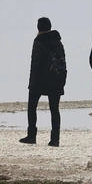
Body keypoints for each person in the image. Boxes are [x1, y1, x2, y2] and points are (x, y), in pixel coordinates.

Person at [22, 17, 67, 146]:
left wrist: (32, 83)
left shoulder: (38, 42)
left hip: (39, 80)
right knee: (54, 109)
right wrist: (62, 80)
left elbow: (35, 64)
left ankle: (32, 136)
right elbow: (63, 61)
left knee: (32, 107)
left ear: (38, 28)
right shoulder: (58, 41)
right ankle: (55, 139)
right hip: (56, 79)